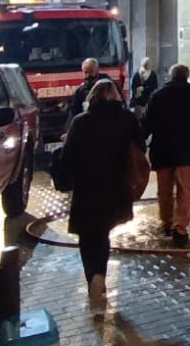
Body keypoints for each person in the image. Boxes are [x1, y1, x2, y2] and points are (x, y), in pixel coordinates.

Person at [51, 77, 141, 319]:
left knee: (88, 236)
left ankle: (93, 276)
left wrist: (62, 178)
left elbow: (68, 158)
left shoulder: (80, 123)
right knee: (103, 233)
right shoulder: (127, 119)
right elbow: (140, 147)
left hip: (87, 188)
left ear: (91, 96)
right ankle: (99, 276)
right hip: (116, 187)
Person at [140, 64, 190, 247]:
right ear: (187, 76)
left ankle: (166, 222)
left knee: (164, 190)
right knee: (186, 191)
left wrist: (140, 142)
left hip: (163, 150)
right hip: (188, 152)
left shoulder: (158, 95)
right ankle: (180, 228)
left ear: (170, 76)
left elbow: (146, 121)